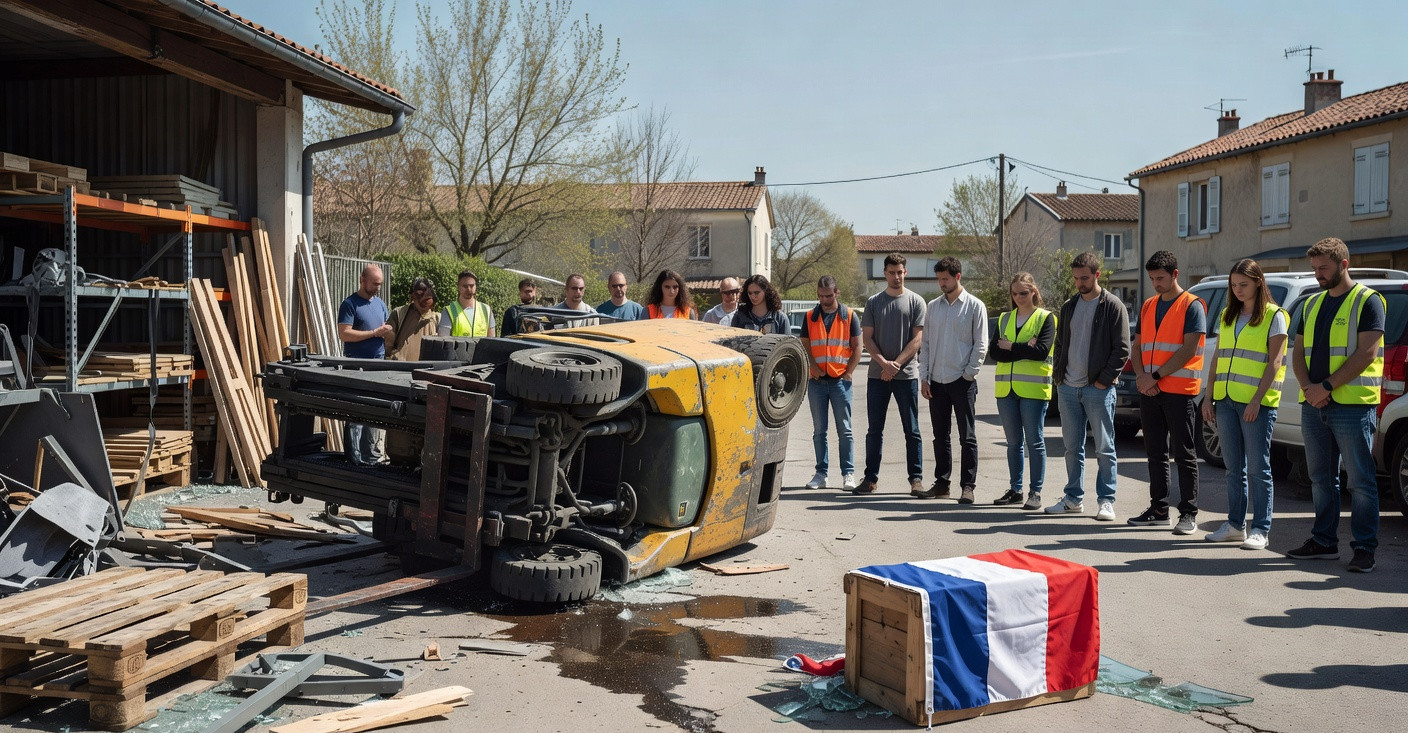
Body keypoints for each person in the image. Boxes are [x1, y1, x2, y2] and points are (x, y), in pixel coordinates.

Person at [1287, 238, 1384, 573]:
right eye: (1314, 269)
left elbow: (1366, 353)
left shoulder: (1369, 301)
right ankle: (1324, 542)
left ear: (1344, 263)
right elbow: (1297, 353)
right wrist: (1309, 389)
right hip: (1314, 404)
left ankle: (1364, 549)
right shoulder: (1311, 305)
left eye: (1323, 268)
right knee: (1320, 478)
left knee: (1360, 481)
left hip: (1352, 406)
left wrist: (1325, 387)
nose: (1318, 275)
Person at [1201, 259, 1287, 550]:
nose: (1237, 290)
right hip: (1225, 400)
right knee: (1233, 468)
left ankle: (1261, 529)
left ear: (1259, 282)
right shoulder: (1227, 314)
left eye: (1244, 284)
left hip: (1256, 404)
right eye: (1234, 285)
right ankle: (1236, 525)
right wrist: (1210, 395)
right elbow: (1218, 357)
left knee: (1258, 469)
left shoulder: (1275, 316)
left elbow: (1275, 363)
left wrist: (1256, 400)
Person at [1046, 251, 1129, 518]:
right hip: (1068, 388)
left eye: (1084, 278)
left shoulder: (1112, 305)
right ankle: (1073, 498)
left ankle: (1106, 500)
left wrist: (1104, 381)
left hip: (1098, 390)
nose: (1080, 283)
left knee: (1104, 447)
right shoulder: (1069, 306)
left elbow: (1122, 349)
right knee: (1072, 447)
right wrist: (1060, 376)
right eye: (1076, 278)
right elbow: (1060, 344)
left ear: (1097, 274)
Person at [1128, 250, 1206, 533]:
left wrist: (1154, 377)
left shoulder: (1192, 305)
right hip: (1150, 390)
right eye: (1152, 278)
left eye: (1160, 278)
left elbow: (1188, 350)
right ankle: (1159, 508)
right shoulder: (1148, 305)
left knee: (1184, 453)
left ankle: (1188, 513)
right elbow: (1137, 347)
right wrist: (1140, 377)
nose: (1156, 283)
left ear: (1175, 274)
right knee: (1155, 452)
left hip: (1178, 391)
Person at [915, 257, 988, 503]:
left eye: (945, 279)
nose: (941, 284)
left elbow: (981, 344)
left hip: (962, 381)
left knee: (967, 436)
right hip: (936, 381)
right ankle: (942, 483)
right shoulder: (933, 307)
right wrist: (923, 377)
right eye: (938, 279)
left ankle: (968, 486)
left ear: (958, 276)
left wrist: (968, 374)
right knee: (940, 435)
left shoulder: (975, 306)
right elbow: (925, 345)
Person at [854, 253, 926, 495]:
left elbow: (918, 338)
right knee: (874, 430)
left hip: (906, 376)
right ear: (885, 273)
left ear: (905, 272)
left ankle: (916, 479)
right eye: (892, 272)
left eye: (900, 272)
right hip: (878, 376)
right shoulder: (874, 302)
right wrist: (884, 363)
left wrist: (895, 364)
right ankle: (870, 479)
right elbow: (867, 338)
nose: (896, 276)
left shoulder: (917, 302)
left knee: (912, 429)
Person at [990, 272, 1055, 510]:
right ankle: (1015, 489)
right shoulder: (1005, 318)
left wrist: (1011, 347)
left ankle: (1035, 492)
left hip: (1033, 390)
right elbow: (994, 353)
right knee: (1013, 442)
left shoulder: (1045, 318)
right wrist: (1023, 347)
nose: (1018, 297)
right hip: (1006, 389)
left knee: (1035, 442)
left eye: (1024, 293)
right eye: (1015, 293)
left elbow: (1041, 351)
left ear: (1034, 292)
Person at [801, 275, 862, 491]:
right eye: (820, 296)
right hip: (817, 382)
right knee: (819, 430)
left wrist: (849, 372)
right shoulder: (810, 317)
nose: (824, 300)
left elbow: (857, 347)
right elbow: (805, 346)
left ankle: (848, 474)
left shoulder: (849, 316)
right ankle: (821, 474)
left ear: (837, 293)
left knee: (845, 430)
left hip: (839, 382)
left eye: (828, 295)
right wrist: (813, 367)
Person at [337, 263, 392, 465]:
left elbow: (385, 327)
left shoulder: (380, 304)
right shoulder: (350, 304)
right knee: (356, 413)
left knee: (374, 413)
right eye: (374, 283)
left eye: (380, 284)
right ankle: (355, 459)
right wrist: (374, 333)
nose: (378, 288)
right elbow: (344, 333)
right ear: (362, 280)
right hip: (357, 368)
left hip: (377, 367)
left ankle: (371, 456)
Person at [387, 277, 440, 361]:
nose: (423, 301)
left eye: (427, 298)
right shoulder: (399, 313)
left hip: (425, 370)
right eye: (419, 296)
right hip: (399, 368)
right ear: (413, 296)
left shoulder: (437, 319)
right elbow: (387, 346)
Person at [438, 270, 496, 337]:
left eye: (471, 286)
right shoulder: (448, 311)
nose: (468, 289)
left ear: (475, 287)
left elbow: (492, 340)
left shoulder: (486, 310)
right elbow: (443, 340)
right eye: (465, 286)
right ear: (458, 287)